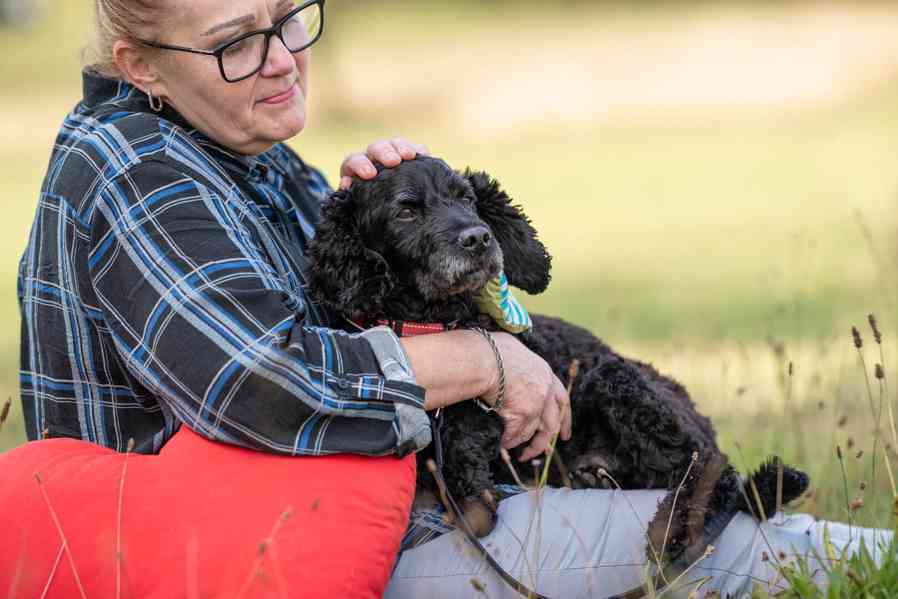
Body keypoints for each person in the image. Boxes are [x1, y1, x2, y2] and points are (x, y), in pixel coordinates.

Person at [16, 1, 891, 597]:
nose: (282, 59)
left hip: (378, 514)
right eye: (233, 42)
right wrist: (484, 360)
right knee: (731, 555)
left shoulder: (243, 154)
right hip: (268, 558)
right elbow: (265, 380)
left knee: (685, 524)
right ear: (139, 64)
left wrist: (399, 210)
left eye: (287, 18)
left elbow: (378, 307)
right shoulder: (133, 168)